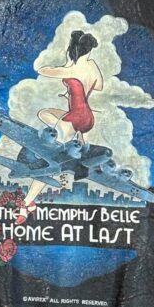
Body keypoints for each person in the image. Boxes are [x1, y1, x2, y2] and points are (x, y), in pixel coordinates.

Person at [16, 30, 104, 224]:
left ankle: (27, 204)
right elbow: (99, 86)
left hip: (74, 118)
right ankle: (74, 143)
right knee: (44, 114)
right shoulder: (92, 66)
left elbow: (42, 69)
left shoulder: (72, 70)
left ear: (73, 50)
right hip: (86, 117)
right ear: (89, 50)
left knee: (51, 160)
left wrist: (67, 67)